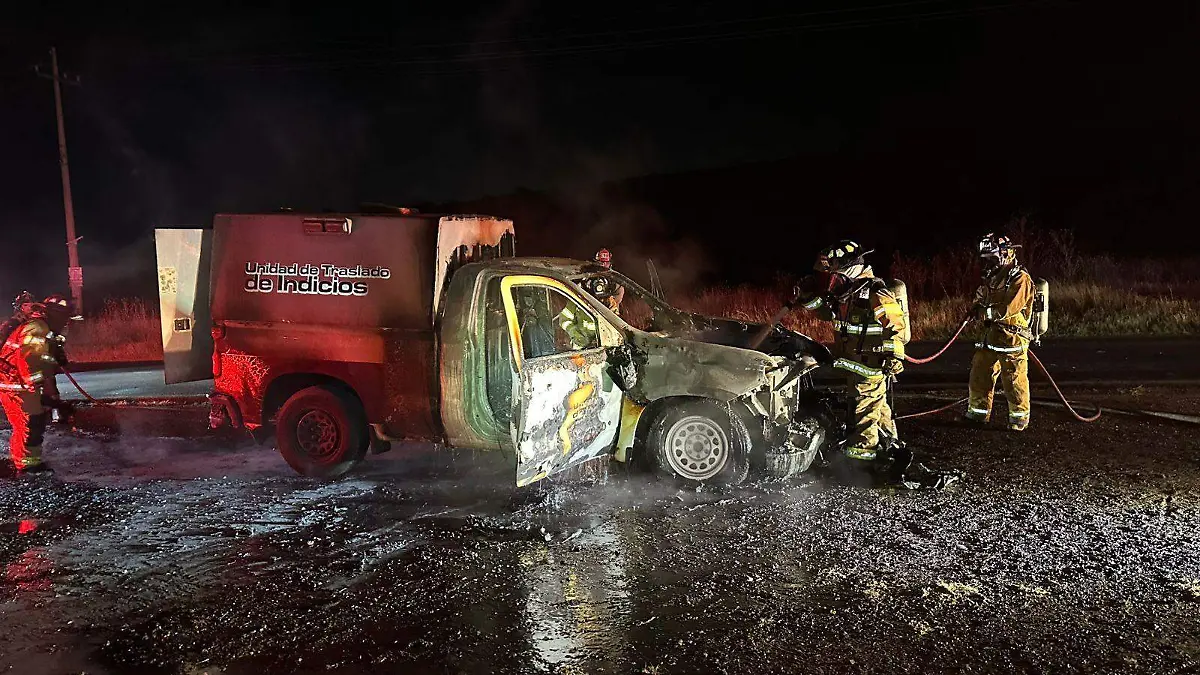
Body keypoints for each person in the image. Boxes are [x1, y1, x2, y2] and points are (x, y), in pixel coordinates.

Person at [791, 241, 908, 464]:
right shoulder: (847, 295)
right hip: (854, 364)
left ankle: (862, 461)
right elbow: (826, 313)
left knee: (863, 412)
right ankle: (889, 446)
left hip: (870, 367)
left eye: (834, 270)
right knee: (877, 409)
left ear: (849, 267)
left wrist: (895, 355)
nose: (831, 277)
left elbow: (895, 324)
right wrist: (807, 298)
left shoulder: (875, 292)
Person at [966, 233, 1034, 431]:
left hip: (1012, 337)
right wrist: (976, 307)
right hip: (991, 336)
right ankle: (978, 414)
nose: (988, 264)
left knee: (1013, 379)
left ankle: (1018, 419)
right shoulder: (992, 278)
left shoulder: (1020, 278)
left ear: (1007, 254)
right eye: (985, 260)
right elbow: (980, 297)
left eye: (992, 259)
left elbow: (1009, 308)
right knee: (979, 372)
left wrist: (984, 313)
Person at [0, 294, 73, 473]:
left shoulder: (42, 327)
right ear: (56, 314)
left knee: (29, 424)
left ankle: (23, 462)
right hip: (18, 386)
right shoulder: (37, 327)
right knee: (30, 424)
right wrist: (42, 393)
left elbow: (42, 360)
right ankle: (28, 467)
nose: (66, 323)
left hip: (18, 385)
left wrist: (56, 354)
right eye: (64, 318)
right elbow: (29, 359)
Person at [591, 248, 625, 315]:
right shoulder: (587, 278)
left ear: (610, 264)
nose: (603, 265)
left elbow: (618, 297)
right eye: (600, 263)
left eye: (606, 263)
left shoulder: (616, 283)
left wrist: (609, 300)